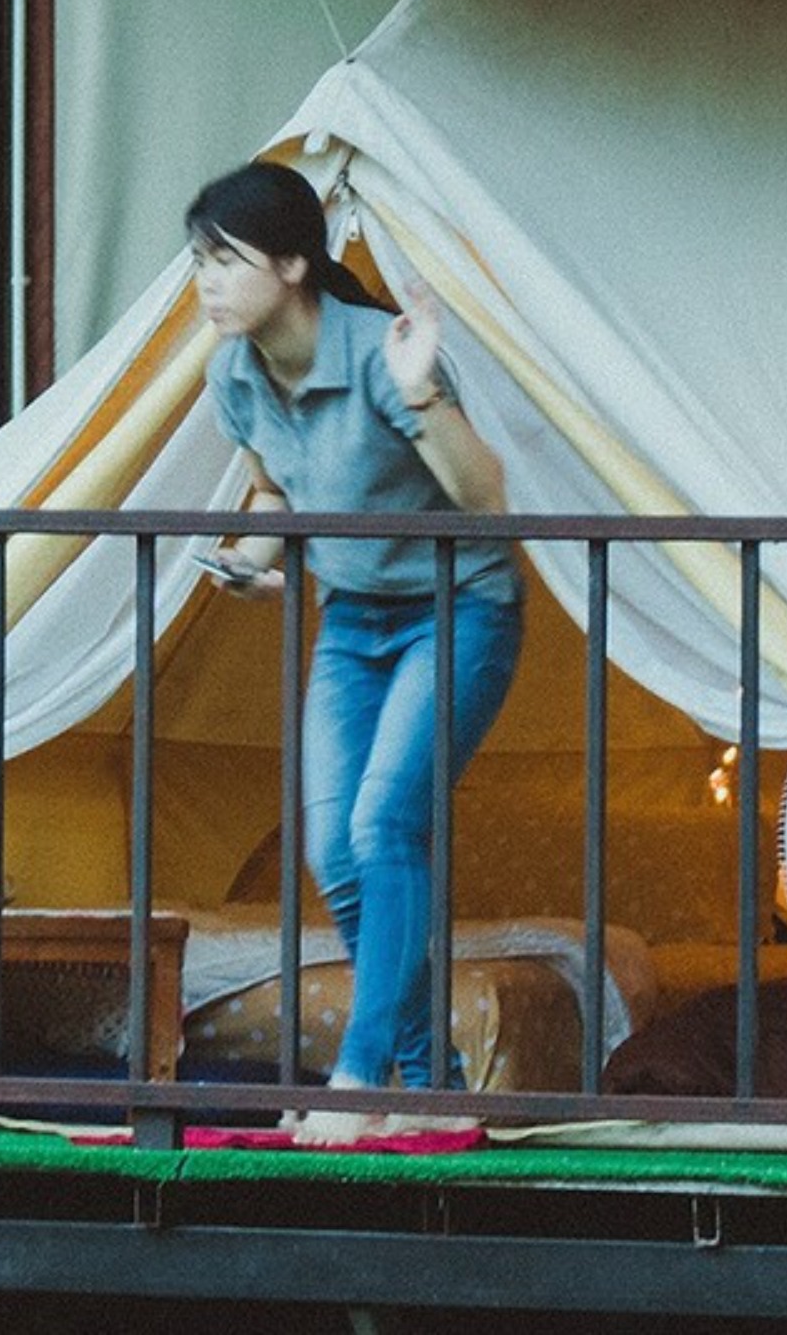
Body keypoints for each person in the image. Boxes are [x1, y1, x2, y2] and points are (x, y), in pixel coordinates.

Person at [185, 158, 520, 1144]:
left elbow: (484, 497)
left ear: (292, 261)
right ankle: (428, 1079)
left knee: (384, 828)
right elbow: (273, 492)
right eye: (196, 261)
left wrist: (419, 396)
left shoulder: (382, 352)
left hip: (458, 610)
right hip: (353, 622)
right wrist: (244, 558)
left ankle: (362, 1072)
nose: (203, 279)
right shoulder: (230, 371)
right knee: (334, 850)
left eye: (222, 258)